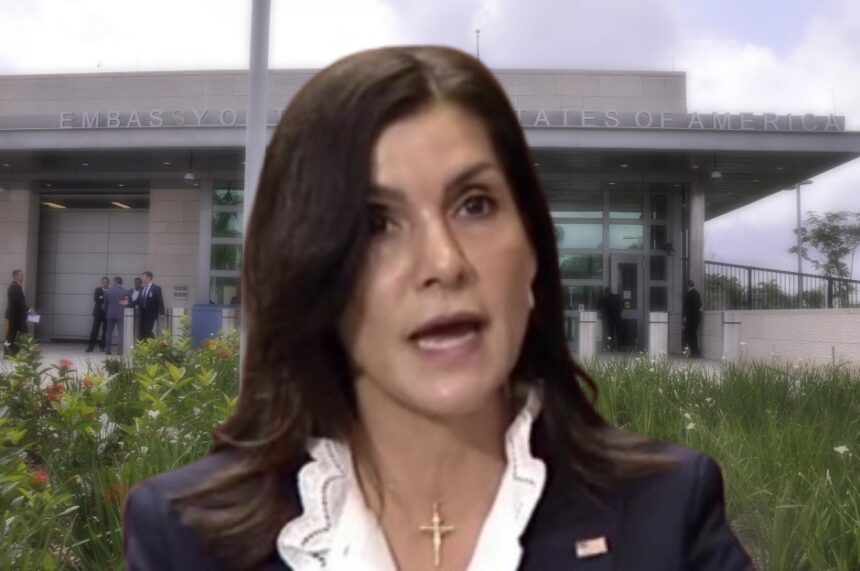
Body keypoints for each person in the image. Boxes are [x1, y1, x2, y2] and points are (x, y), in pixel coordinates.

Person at [123, 47, 752, 570]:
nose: (444, 262)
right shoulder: (186, 537)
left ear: (533, 246)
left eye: (474, 205)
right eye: (376, 223)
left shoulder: (667, 513)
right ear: (310, 272)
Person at [4, 269, 34, 356]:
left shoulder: (16, 286)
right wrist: (29, 310)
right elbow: (18, 302)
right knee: (21, 333)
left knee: (12, 334)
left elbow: (19, 302)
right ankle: (11, 351)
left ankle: (9, 352)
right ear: (16, 276)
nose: (23, 277)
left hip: (15, 316)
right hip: (16, 316)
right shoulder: (15, 287)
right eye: (21, 275)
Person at [131, 271, 164, 339]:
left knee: (147, 330)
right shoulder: (142, 288)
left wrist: (162, 313)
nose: (142, 279)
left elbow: (160, 301)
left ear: (148, 278)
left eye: (144, 277)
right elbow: (138, 300)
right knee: (141, 331)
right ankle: (143, 345)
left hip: (151, 314)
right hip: (141, 313)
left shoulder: (156, 288)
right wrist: (128, 303)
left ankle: (153, 344)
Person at [103, 276, 130, 355]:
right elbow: (127, 303)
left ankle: (108, 350)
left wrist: (106, 312)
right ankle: (119, 351)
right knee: (121, 333)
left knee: (109, 332)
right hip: (120, 314)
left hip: (110, 314)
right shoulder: (125, 291)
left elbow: (105, 304)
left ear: (115, 282)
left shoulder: (108, 291)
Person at [84, 276, 110, 353]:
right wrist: (104, 299)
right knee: (95, 330)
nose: (105, 284)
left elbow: (109, 301)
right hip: (98, 313)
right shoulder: (97, 290)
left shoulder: (110, 290)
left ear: (108, 283)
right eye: (103, 282)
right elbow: (96, 299)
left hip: (107, 313)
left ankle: (102, 347)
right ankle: (90, 347)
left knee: (105, 331)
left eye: (106, 282)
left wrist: (102, 298)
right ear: (101, 283)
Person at [596, 286, 623, 351]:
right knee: (619, 332)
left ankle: (611, 346)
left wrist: (605, 315)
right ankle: (619, 347)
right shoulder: (617, 297)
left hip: (611, 317)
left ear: (606, 292)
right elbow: (621, 307)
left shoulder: (605, 298)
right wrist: (618, 312)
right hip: (618, 316)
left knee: (611, 333)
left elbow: (600, 307)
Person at [683, 279, 703, 358]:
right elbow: (699, 304)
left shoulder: (691, 293)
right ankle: (695, 352)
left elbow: (688, 307)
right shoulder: (696, 292)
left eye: (686, 285)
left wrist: (686, 316)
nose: (686, 286)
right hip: (695, 317)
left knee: (689, 334)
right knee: (692, 334)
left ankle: (694, 352)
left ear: (688, 285)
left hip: (691, 318)